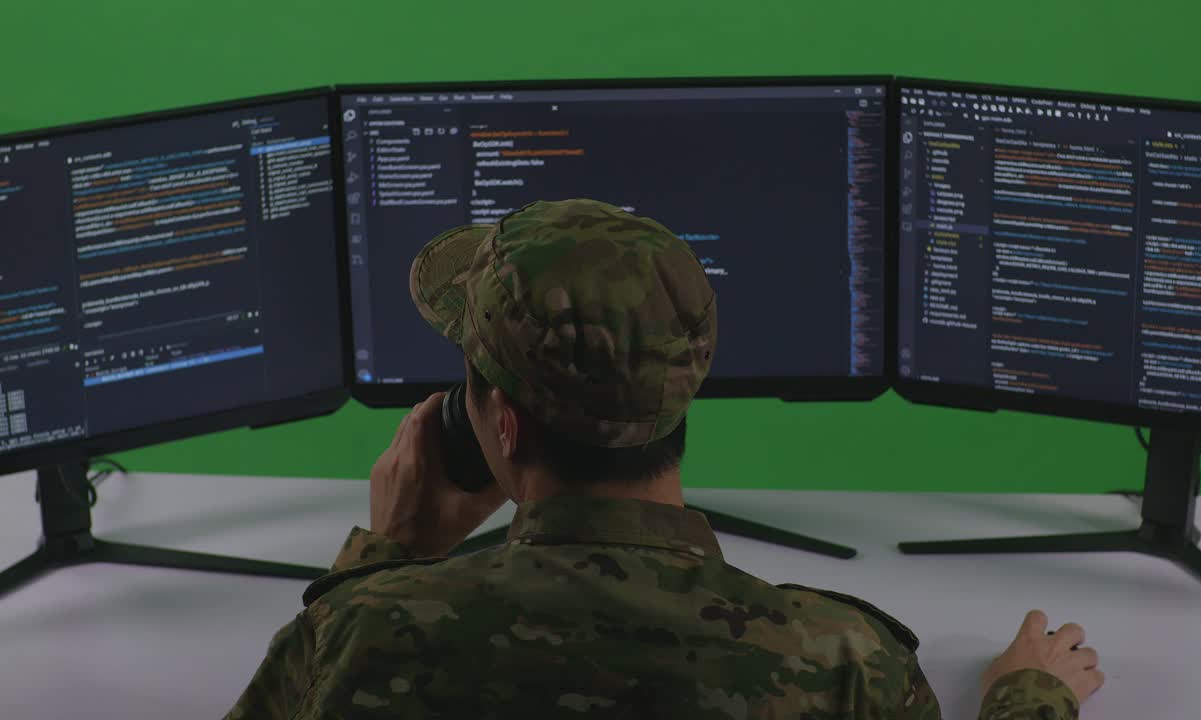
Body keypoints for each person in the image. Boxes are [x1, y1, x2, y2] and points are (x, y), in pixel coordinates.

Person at [225, 199, 1103, 719]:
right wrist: (1028, 696)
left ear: (504, 424)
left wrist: (387, 561)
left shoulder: (361, 637)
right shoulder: (848, 661)